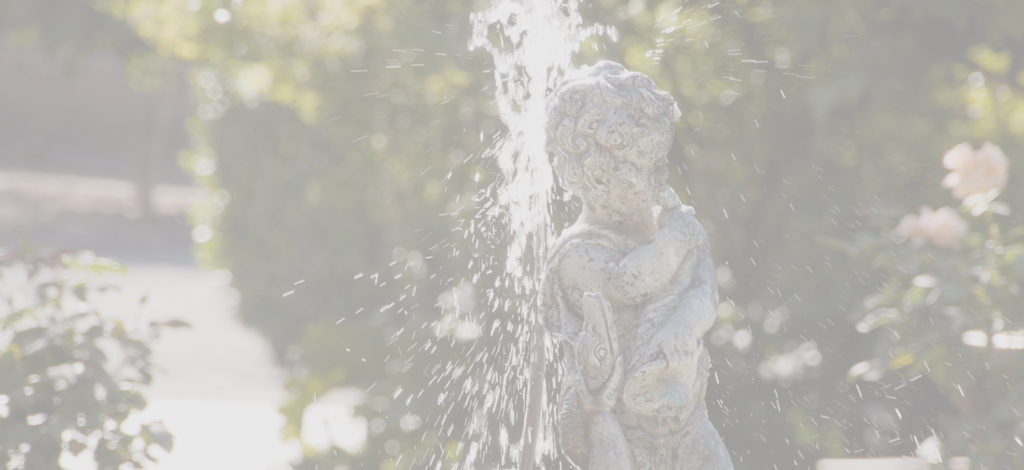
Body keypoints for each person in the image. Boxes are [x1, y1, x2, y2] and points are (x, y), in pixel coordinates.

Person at [541, 61, 733, 469]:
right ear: (595, 177)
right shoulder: (577, 255)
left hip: (686, 417)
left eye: (661, 160)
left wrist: (688, 322)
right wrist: (677, 237)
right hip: (623, 434)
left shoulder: (659, 230)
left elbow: (706, 290)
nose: (662, 172)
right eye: (646, 166)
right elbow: (629, 285)